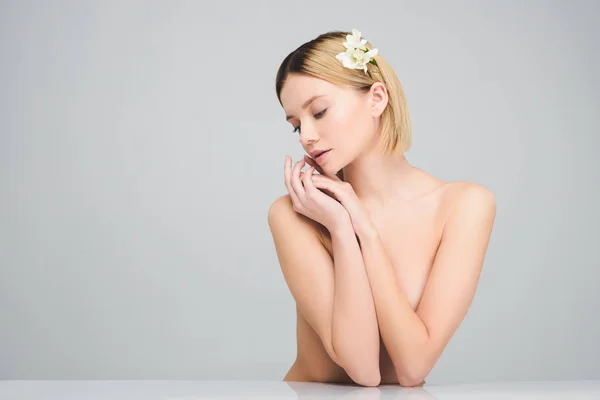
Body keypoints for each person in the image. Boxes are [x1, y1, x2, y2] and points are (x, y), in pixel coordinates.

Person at [267, 29, 496, 387]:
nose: (306, 136)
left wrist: (366, 234)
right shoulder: (295, 214)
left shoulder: (464, 206)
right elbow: (363, 370)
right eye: (296, 125)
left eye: (320, 111)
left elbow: (412, 367)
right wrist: (342, 229)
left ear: (376, 99)